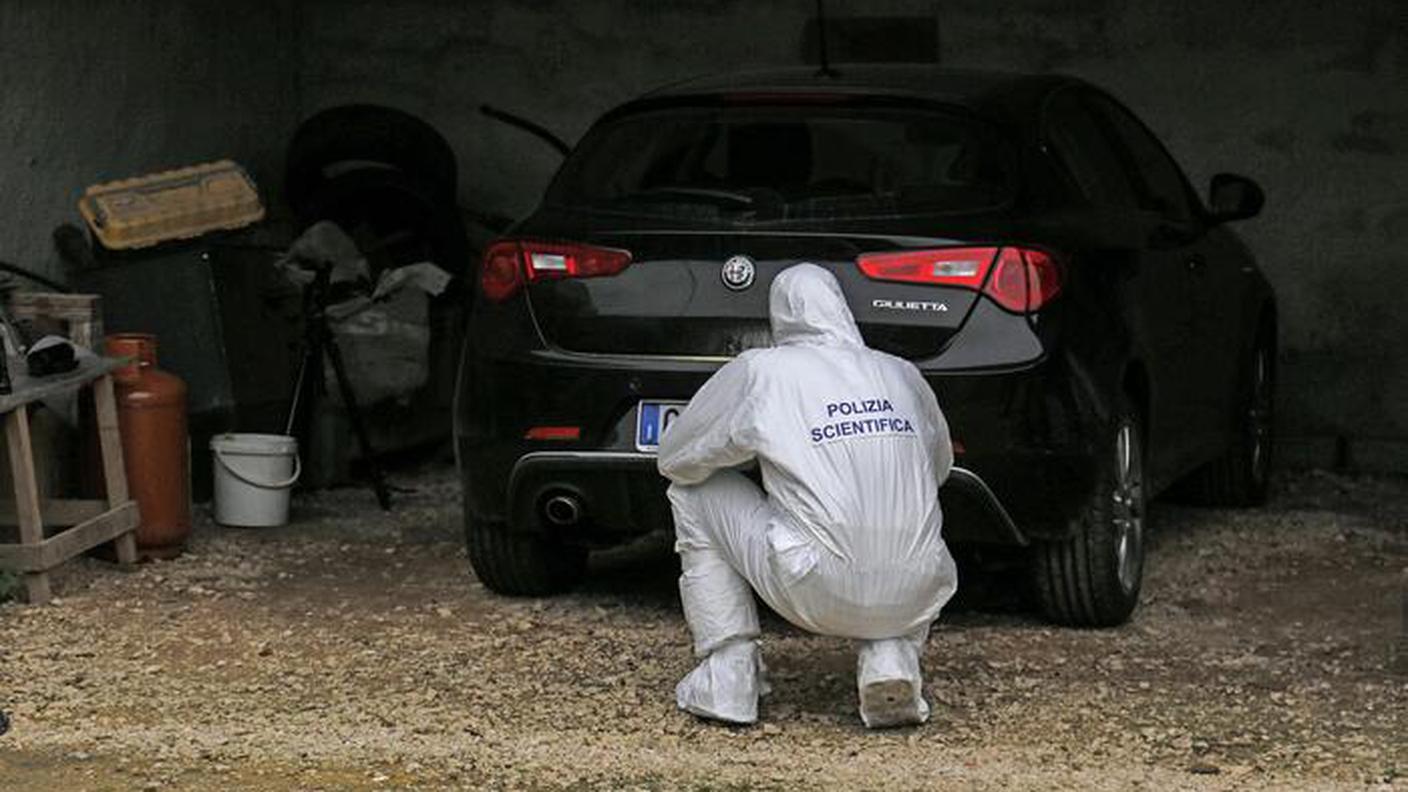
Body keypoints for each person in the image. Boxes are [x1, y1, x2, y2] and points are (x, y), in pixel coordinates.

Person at [657, 263, 958, 728]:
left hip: (813, 583)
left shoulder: (763, 371)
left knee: (693, 491)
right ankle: (891, 659)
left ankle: (729, 673)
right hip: (920, 586)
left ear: (780, 317)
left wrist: (759, 453)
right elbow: (938, 469)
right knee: (891, 508)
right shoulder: (899, 372)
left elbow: (676, 458)